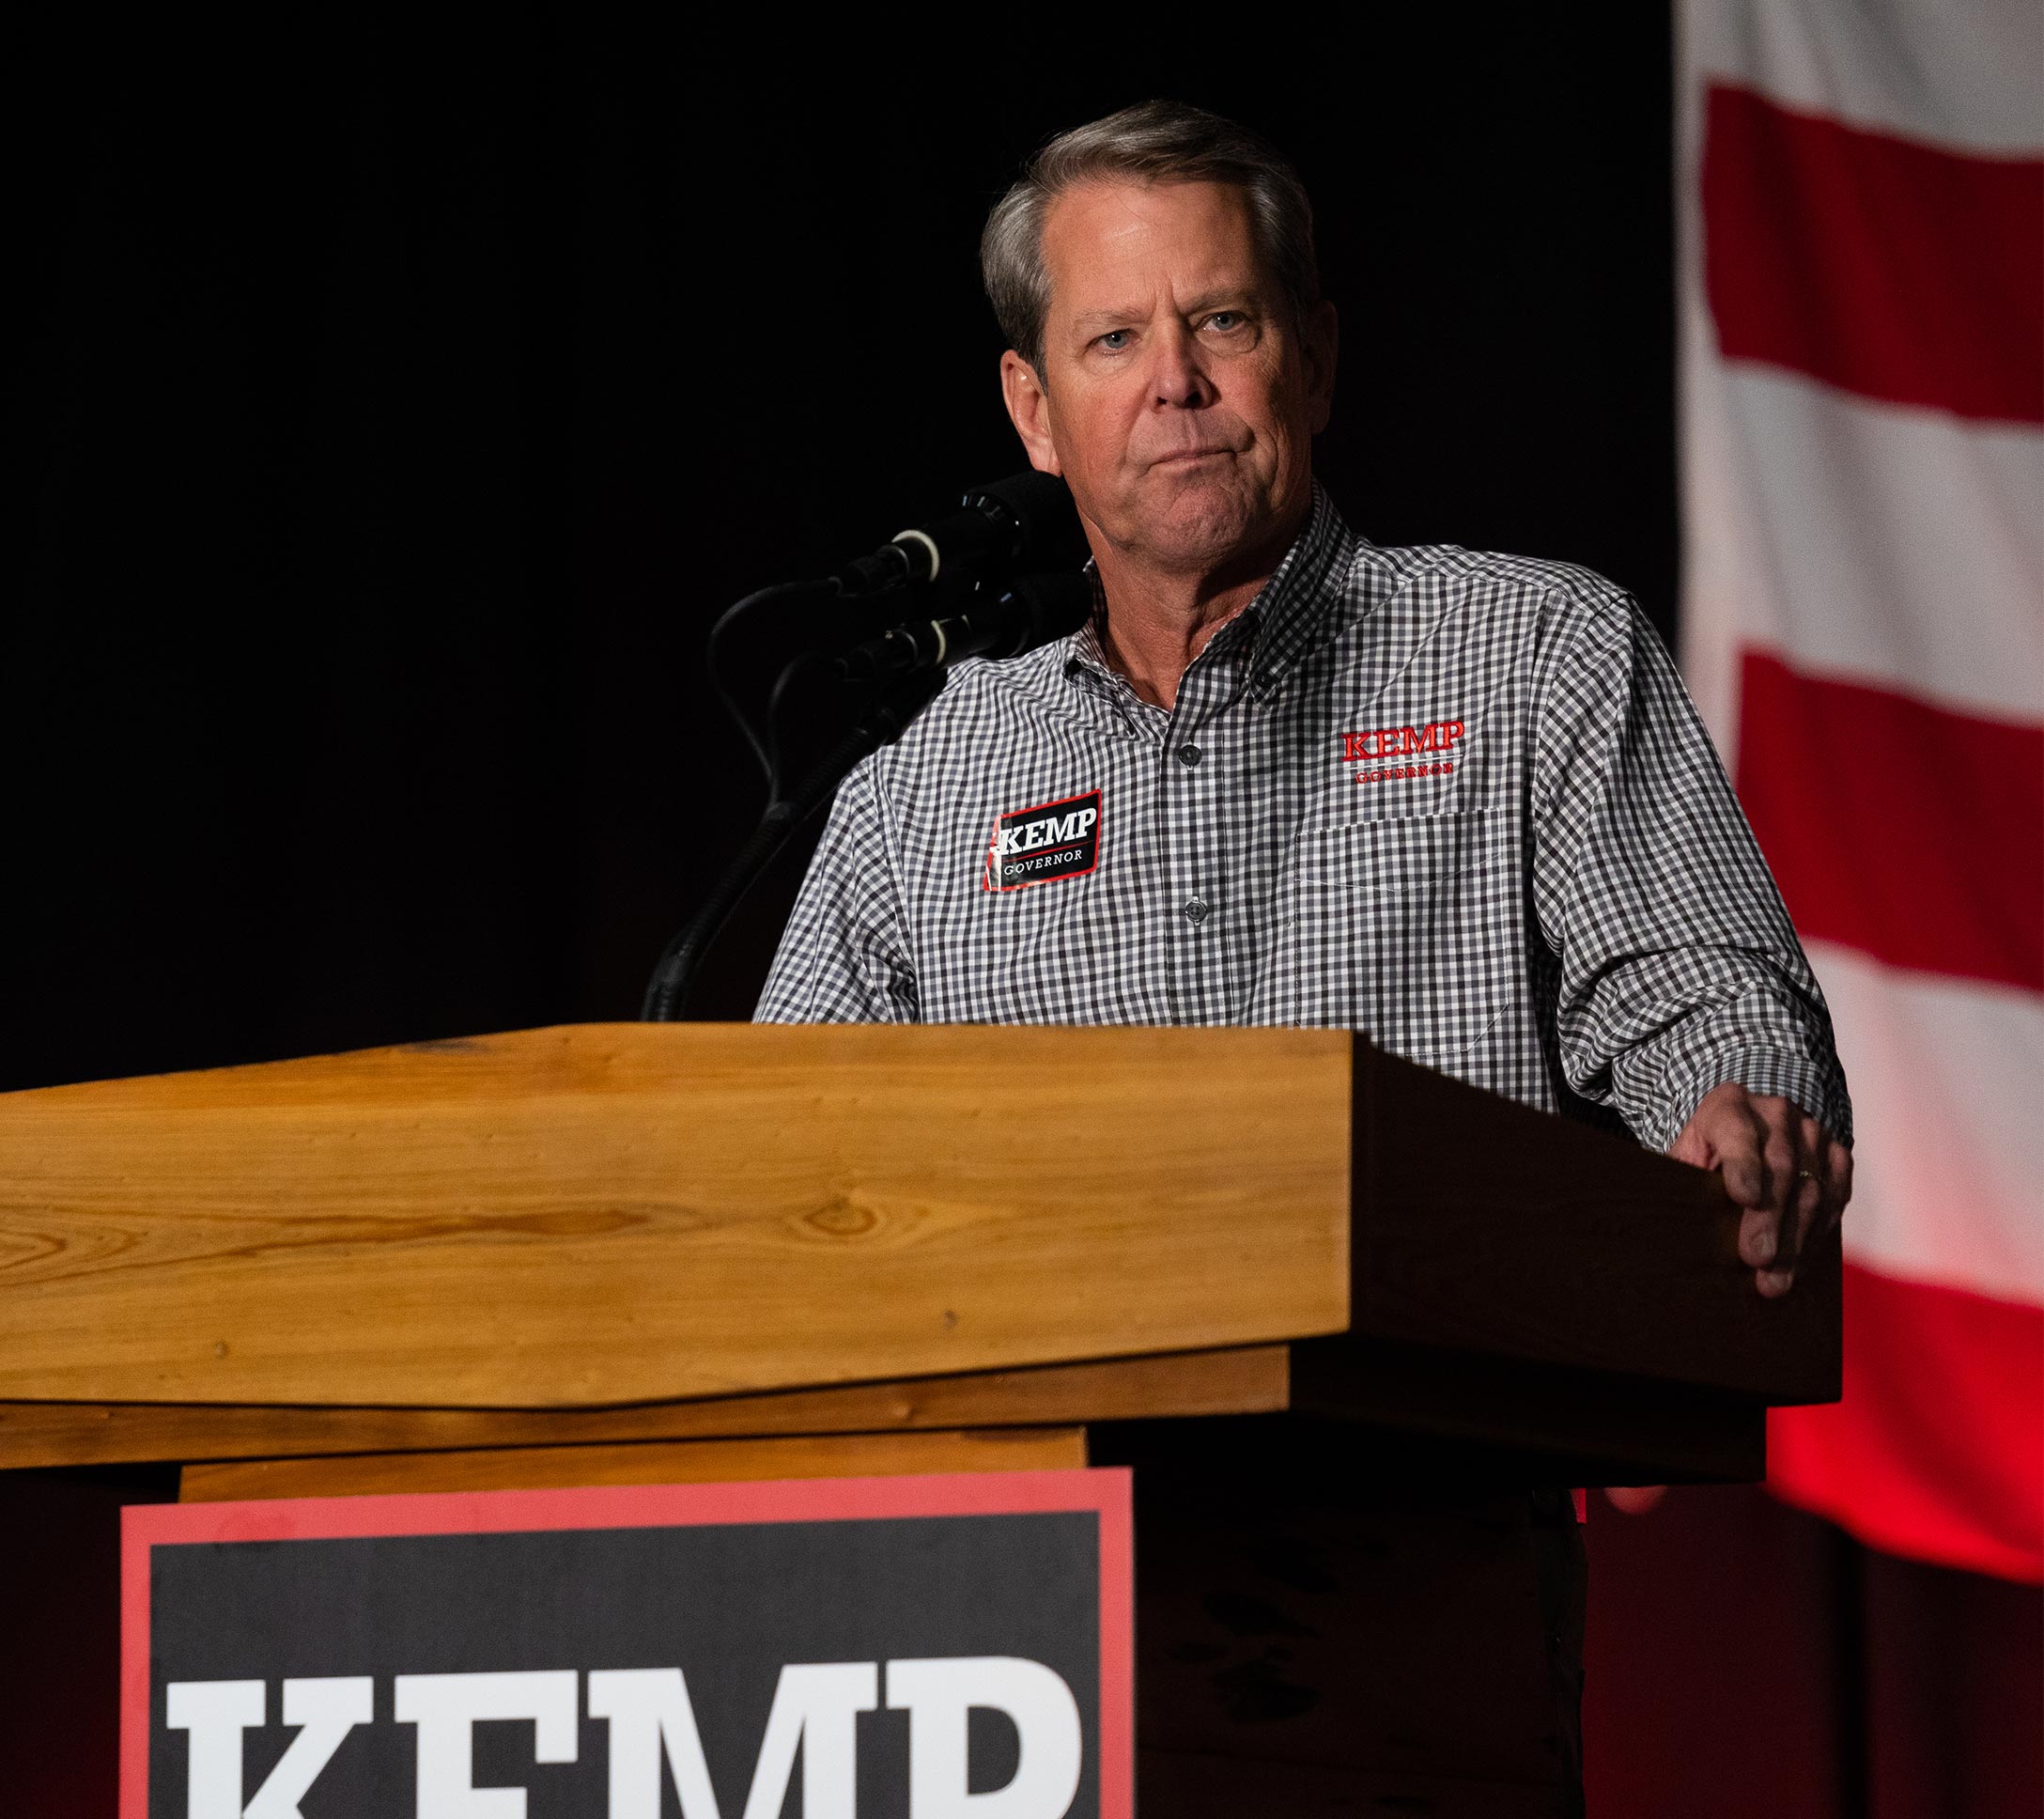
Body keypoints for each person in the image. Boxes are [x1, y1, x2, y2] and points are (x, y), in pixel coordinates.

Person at [757, 100, 1849, 1298]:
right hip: (1051, 1468)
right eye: (1113, 339)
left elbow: (1701, 1004)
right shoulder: (920, 779)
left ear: (1316, 360)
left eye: (1222, 321)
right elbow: (776, 1167)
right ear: (1035, 412)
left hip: (1432, 1452)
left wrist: (1742, 1110)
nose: (1176, 382)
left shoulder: (1537, 652)